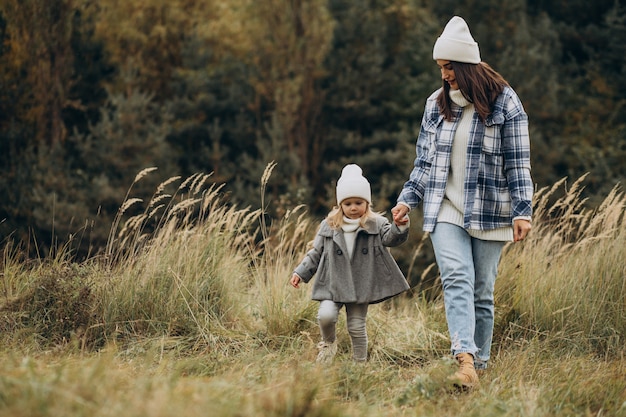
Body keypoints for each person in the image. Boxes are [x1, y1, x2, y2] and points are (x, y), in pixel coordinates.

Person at [391, 16, 533, 389]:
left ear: (468, 66)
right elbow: (423, 162)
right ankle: (464, 359)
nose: (444, 75)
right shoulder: (435, 106)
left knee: (482, 290)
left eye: (449, 67)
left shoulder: (505, 102)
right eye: (441, 67)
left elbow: (517, 161)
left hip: (491, 210)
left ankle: (479, 366)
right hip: (445, 207)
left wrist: (523, 211)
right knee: (457, 278)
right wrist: (408, 199)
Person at [290, 164, 410, 363]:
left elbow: (391, 239)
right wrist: (301, 273)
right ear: (340, 205)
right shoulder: (329, 225)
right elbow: (316, 252)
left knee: (356, 326)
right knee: (326, 316)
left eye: (358, 202)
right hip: (333, 282)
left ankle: (359, 364)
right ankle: (329, 344)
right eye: (348, 204)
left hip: (360, 284)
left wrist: (400, 226)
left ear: (367, 203)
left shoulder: (377, 224)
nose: (353, 208)